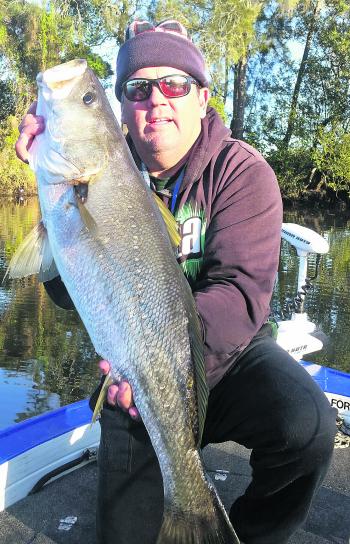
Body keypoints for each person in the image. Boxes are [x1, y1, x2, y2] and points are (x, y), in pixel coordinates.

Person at [15, 19, 337, 544]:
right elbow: (66, 292)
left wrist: (163, 365)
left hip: (227, 356)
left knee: (308, 425)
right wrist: (46, 185)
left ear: (203, 96)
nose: (157, 100)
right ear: (123, 107)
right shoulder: (97, 175)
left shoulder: (242, 172)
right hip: (132, 376)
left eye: (174, 85)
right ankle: (185, 509)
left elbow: (238, 295)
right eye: (138, 89)